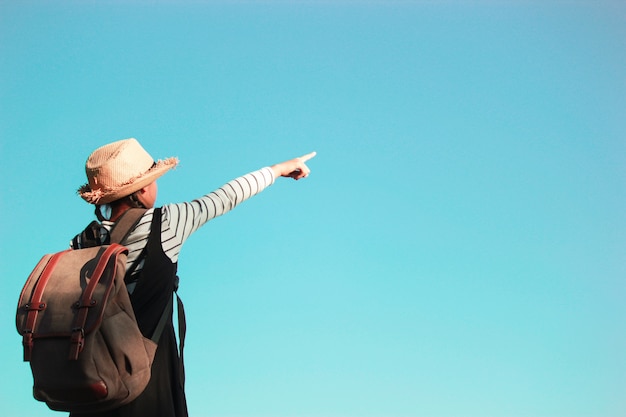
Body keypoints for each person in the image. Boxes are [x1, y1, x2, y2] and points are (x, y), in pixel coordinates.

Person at [70, 138, 315, 417]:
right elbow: (226, 196)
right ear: (143, 188)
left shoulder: (82, 243)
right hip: (147, 381)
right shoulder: (165, 223)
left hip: (91, 388)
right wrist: (279, 168)